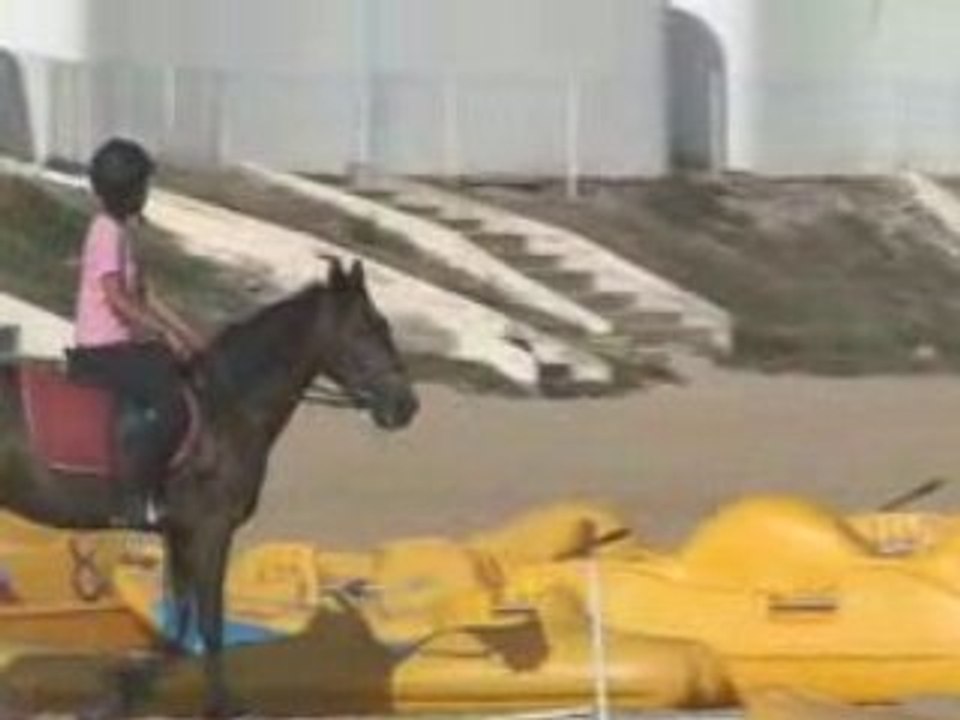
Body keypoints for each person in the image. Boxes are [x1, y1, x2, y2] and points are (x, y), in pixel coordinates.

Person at [68, 137, 202, 527]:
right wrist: (163, 336)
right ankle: (140, 495)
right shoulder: (105, 231)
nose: (147, 193)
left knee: (184, 370)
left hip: (120, 345)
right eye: (143, 185)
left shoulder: (123, 233)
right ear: (127, 190)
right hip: (101, 349)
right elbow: (115, 298)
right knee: (170, 401)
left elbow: (148, 296)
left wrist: (191, 338)